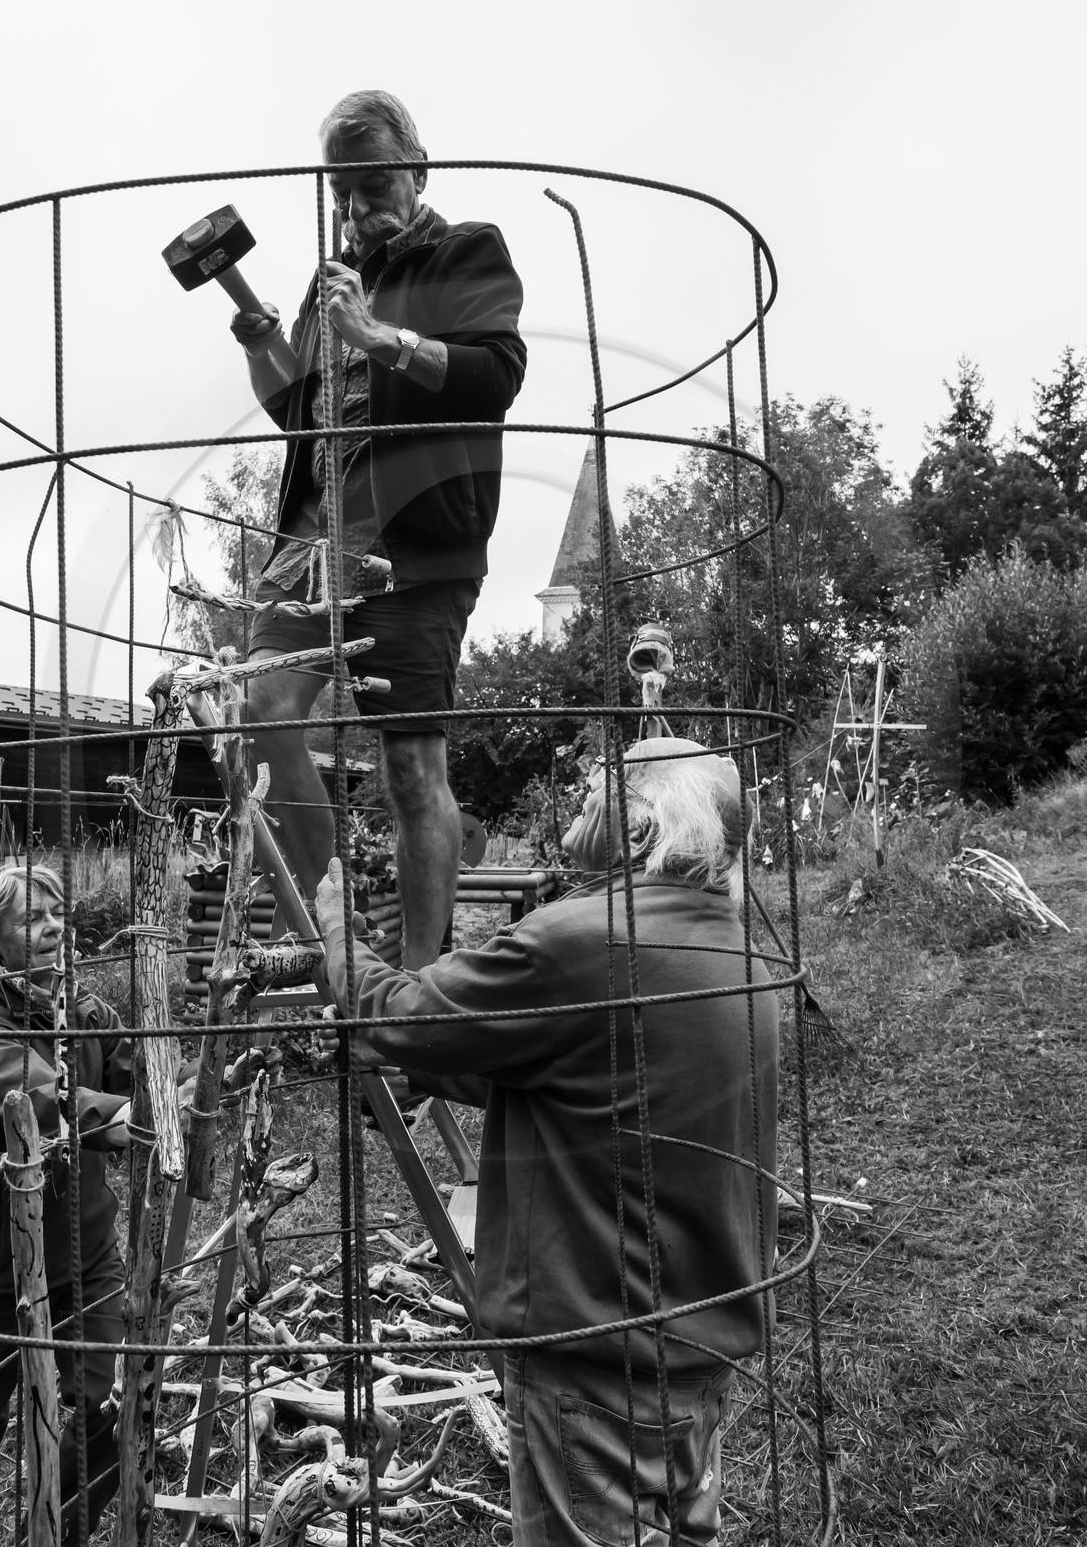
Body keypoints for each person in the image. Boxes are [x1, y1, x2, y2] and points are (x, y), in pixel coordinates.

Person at [315, 738, 777, 1547]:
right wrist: (448, 1068)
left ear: (640, 833)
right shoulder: (734, 952)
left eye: (597, 794)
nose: (577, 804)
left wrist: (338, 942)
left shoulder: (584, 941)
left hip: (600, 1349)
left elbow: (402, 1014)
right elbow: (592, 1086)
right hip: (699, 1333)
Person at [229, 88, 526, 970]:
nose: (357, 208)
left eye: (376, 183)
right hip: (311, 549)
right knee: (257, 705)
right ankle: (310, 934)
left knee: (410, 768)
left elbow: (495, 375)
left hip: (415, 547)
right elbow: (301, 413)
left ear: (418, 170)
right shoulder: (327, 283)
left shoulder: (466, 250)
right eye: (342, 193)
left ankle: (422, 985)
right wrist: (261, 344)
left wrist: (376, 332)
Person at [0, 863, 197, 1546]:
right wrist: (136, 1116)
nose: (52, 930)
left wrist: (200, 1079)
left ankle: (55, 1533)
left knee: (102, 1410)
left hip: (87, 1255)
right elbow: (48, 1105)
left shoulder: (86, 1014)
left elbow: (147, 1075)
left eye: (58, 915)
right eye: (31, 919)